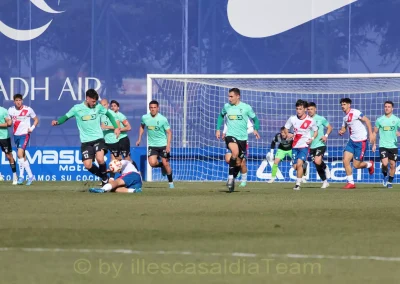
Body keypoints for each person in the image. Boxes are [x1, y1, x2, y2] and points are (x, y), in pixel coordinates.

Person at [51, 89, 120, 185]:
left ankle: (104, 179)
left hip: (98, 138)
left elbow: (109, 115)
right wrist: (58, 122)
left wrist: (116, 128)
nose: (95, 103)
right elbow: (66, 117)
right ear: (87, 98)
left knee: (100, 159)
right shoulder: (77, 108)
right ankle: (104, 177)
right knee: (87, 165)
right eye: (93, 101)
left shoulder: (98, 107)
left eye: (96, 101)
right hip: (86, 141)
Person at [216, 88, 260, 192]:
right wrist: (218, 129)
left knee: (239, 163)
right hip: (230, 136)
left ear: (237, 96)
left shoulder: (246, 107)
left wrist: (256, 129)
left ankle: (233, 179)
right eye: (228, 96)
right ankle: (231, 178)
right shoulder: (226, 106)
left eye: (231, 96)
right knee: (233, 154)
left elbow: (256, 119)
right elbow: (220, 116)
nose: (229, 99)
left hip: (242, 139)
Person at [136, 100, 174, 188]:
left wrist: (168, 145)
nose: (153, 109)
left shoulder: (162, 119)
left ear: (158, 108)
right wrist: (139, 139)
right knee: (152, 163)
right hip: (152, 145)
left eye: (154, 107)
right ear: (149, 108)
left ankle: (171, 183)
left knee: (166, 163)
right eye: (151, 108)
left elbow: (169, 132)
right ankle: (161, 166)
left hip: (163, 144)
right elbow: (142, 127)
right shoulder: (145, 117)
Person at [338, 98, 375, 189]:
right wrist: (342, 131)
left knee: (356, 165)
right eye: (342, 104)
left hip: (361, 141)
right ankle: (351, 182)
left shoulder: (355, 112)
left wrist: (370, 134)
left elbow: (367, 120)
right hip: (351, 141)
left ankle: (369, 164)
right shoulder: (345, 118)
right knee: (345, 160)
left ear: (349, 105)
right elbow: (344, 128)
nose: (343, 106)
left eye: (344, 104)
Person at [284, 99, 318, 190]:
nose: (298, 111)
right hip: (295, 145)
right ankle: (304, 166)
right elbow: (286, 129)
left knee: (299, 164)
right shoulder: (292, 118)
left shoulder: (310, 120)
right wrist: (288, 134)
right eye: (297, 109)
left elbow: (315, 131)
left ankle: (297, 184)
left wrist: (312, 139)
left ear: (305, 109)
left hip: (304, 146)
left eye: (300, 109)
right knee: (295, 166)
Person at [8, 94, 39, 185]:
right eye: (16, 100)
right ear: (14, 101)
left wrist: (32, 128)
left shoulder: (28, 109)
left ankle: (27, 176)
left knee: (19, 154)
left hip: (24, 134)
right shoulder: (11, 110)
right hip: (16, 135)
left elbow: (36, 120)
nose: (18, 102)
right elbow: (9, 121)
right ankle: (26, 176)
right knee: (22, 156)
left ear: (22, 101)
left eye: (20, 100)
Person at [372, 101, 400, 188]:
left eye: (389, 107)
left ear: (392, 108)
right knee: (384, 163)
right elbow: (374, 132)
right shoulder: (379, 120)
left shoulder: (396, 120)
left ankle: (389, 182)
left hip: (393, 146)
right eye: (385, 106)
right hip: (383, 145)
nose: (387, 108)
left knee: (392, 165)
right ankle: (384, 176)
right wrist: (374, 144)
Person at [307, 102, 333, 189]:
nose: (310, 111)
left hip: (320, 144)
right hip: (311, 146)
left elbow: (330, 127)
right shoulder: (306, 120)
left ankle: (325, 167)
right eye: (308, 109)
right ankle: (325, 182)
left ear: (315, 109)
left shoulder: (320, 118)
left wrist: (326, 136)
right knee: (317, 164)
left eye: (311, 109)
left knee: (318, 161)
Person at [222, 118, 253, 187]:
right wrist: (224, 133)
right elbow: (227, 125)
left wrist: (241, 132)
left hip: (242, 142)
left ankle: (243, 181)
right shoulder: (230, 115)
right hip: (231, 141)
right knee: (228, 159)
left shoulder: (244, 117)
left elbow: (251, 129)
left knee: (242, 163)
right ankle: (232, 175)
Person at [100, 98, 121, 180]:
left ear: (108, 105)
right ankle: (104, 178)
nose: (103, 107)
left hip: (113, 140)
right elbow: (102, 126)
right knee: (100, 157)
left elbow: (118, 127)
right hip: (104, 140)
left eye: (104, 105)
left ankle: (111, 179)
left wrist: (107, 127)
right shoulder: (101, 115)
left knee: (115, 160)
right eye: (101, 105)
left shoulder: (113, 114)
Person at [0, 106, 17, 184]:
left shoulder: (3, 110)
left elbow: (9, 123)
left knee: (9, 156)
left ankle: (14, 175)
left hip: (3, 137)